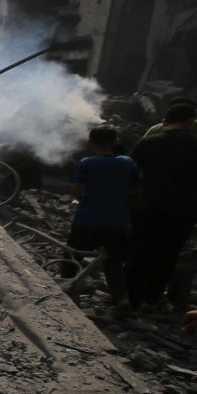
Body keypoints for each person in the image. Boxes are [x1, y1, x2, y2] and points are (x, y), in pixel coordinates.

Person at [126, 101, 197, 313]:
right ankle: (151, 300)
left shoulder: (147, 143)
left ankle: (131, 299)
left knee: (138, 251)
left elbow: (129, 175)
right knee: (167, 254)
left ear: (165, 120)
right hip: (183, 211)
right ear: (191, 121)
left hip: (147, 207)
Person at [64, 125, 137, 306]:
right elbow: (136, 190)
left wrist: (84, 201)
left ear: (90, 142)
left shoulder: (87, 162)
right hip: (116, 221)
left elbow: (76, 189)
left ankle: (65, 291)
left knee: (72, 256)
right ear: (116, 142)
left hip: (87, 219)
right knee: (113, 261)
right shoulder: (128, 163)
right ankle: (120, 298)